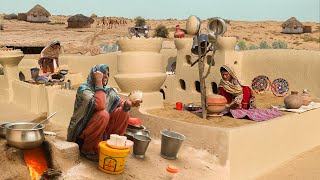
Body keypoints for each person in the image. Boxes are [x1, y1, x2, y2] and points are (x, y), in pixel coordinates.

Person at [67, 64, 141, 161]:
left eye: (107, 74)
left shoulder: (108, 90)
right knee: (103, 115)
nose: (106, 76)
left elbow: (119, 102)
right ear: (94, 74)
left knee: (123, 113)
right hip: (82, 133)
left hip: (101, 132)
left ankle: (111, 144)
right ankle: (88, 150)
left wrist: (128, 104)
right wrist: (98, 83)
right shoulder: (84, 89)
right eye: (103, 73)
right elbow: (99, 105)